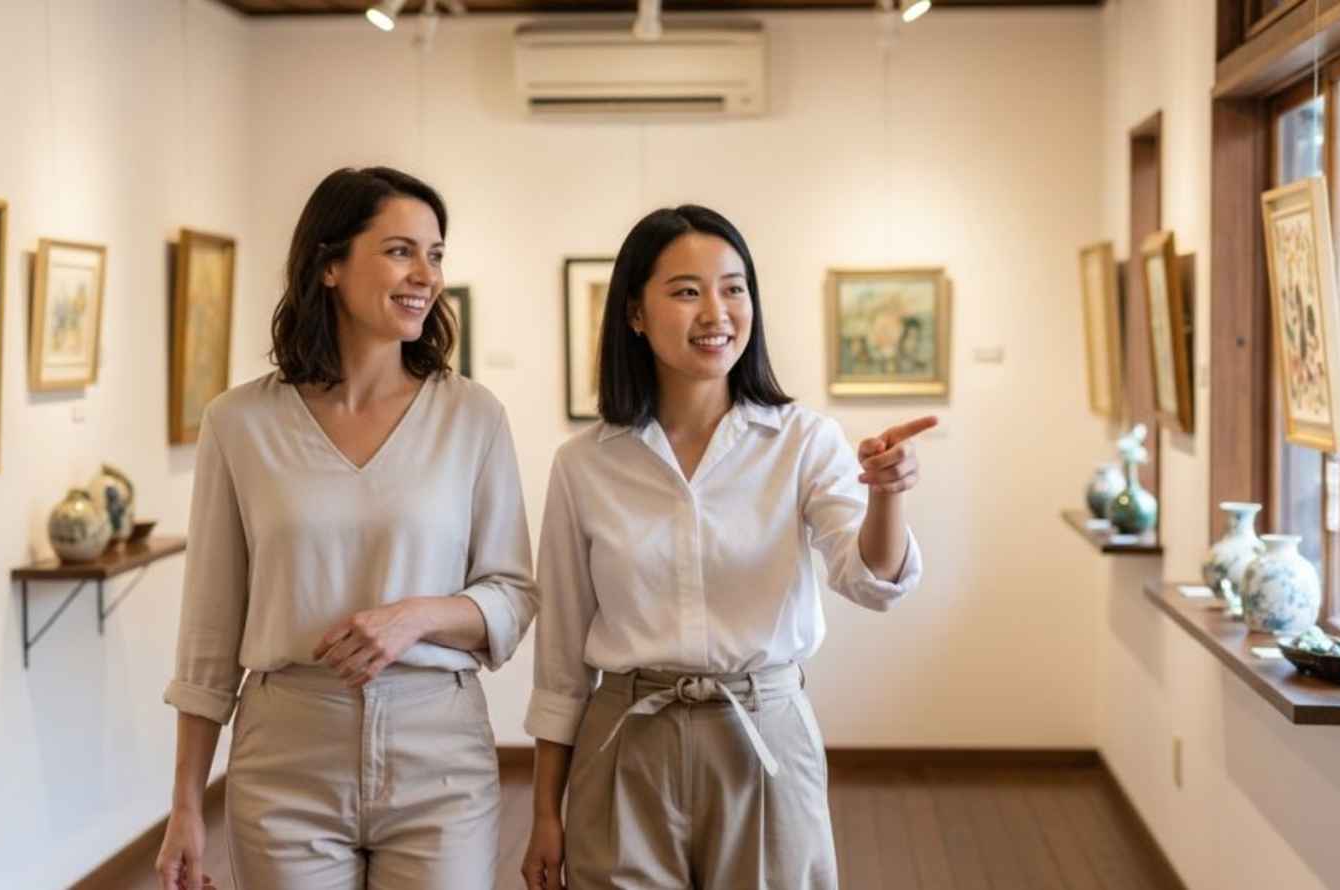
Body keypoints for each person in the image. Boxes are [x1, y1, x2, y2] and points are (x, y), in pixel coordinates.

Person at [522, 204, 930, 890]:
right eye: (686, 291)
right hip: (625, 741)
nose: (716, 311)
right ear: (634, 314)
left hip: (764, 736)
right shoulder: (585, 464)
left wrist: (887, 494)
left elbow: (871, 581)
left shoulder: (803, 442)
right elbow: (561, 659)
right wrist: (543, 812)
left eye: (733, 288)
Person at [156, 166, 537, 890]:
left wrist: (416, 617)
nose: (425, 274)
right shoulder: (238, 423)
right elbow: (208, 631)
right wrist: (184, 805)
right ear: (329, 264)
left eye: (436, 254)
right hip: (285, 757)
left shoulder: (473, 416)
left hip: (439, 751)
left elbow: (514, 595)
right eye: (400, 251)